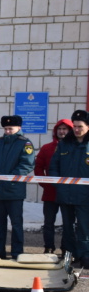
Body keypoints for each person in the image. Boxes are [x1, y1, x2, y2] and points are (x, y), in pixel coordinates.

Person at [0, 115, 35, 260]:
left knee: (16, 224)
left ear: (19, 128)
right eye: (5, 129)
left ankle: (17, 252)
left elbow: (26, 164)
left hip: (14, 191)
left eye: (10, 129)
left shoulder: (25, 143)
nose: (7, 131)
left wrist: (10, 179)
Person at [49, 110, 89, 269]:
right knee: (67, 227)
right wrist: (59, 185)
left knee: (84, 228)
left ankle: (85, 256)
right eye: (75, 126)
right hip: (65, 194)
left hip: (85, 196)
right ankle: (69, 255)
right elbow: (54, 167)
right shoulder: (64, 143)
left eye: (80, 126)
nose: (77, 130)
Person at [35, 118, 73, 255]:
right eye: (60, 129)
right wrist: (45, 183)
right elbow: (38, 167)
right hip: (50, 192)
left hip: (68, 192)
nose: (62, 132)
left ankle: (65, 248)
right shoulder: (46, 148)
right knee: (48, 222)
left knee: (68, 223)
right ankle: (49, 247)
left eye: (65, 129)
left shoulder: (73, 147)